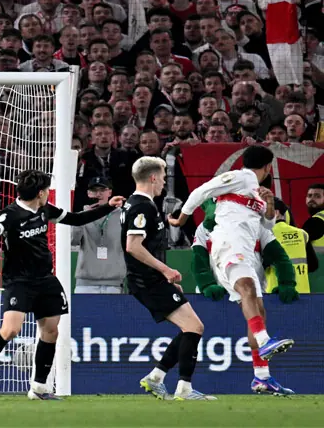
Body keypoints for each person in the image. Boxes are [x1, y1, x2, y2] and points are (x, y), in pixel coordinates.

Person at [0, 170, 125, 400]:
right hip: (20, 281)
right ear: (40, 192)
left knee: (51, 330)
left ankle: (39, 387)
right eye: (46, 190)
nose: (47, 193)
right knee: (11, 330)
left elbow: (75, 218)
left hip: (45, 279)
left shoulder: (46, 209)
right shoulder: (12, 214)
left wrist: (109, 207)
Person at [169, 145, 294, 362]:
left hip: (244, 252)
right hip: (228, 245)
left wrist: (270, 203)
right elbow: (201, 191)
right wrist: (182, 219)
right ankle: (264, 341)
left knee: (258, 310)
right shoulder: (240, 176)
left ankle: (261, 377)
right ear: (267, 167)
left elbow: (268, 225)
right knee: (247, 288)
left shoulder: (256, 191)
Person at [122, 157, 213, 401]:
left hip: (150, 280)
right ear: (152, 177)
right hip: (146, 280)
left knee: (191, 327)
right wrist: (165, 271)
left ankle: (156, 378)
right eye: (162, 176)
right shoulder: (142, 206)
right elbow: (133, 246)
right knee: (194, 327)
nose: (164, 181)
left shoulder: (138, 204)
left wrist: (165, 277)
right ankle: (183, 389)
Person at [192, 200, 297, 396]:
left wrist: (287, 282)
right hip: (223, 285)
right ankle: (184, 381)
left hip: (251, 279)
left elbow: (279, 256)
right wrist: (207, 284)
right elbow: (198, 259)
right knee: (249, 298)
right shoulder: (204, 230)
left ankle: (262, 376)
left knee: (258, 313)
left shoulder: (255, 224)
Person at [71, 177, 126, 293]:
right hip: (85, 283)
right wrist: (82, 218)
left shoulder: (122, 215)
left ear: (110, 192)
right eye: (94, 190)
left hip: (114, 282)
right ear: (88, 193)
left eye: (102, 190)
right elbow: (73, 241)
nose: (98, 194)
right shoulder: (80, 217)